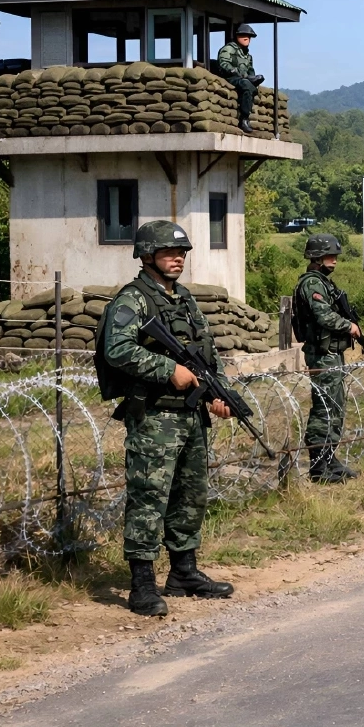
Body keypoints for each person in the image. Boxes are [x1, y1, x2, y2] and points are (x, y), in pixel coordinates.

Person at [98, 221, 235, 617]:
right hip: (155, 417)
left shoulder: (185, 299)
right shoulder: (133, 300)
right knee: (149, 498)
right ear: (146, 256)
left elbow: (206, 355)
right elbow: (117, 349)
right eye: (168, 253)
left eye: (181, 253)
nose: (177, 258)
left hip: (190, 415)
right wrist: (166, 369)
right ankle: (142, 584)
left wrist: (218, 394)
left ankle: (184, 572)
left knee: (190, 495)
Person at [292, 233, 364, 483]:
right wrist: (349, 326)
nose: (334, 260)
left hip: (332, 355)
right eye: (329, 256)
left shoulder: (323, 282)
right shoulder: (312, 283)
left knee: (335, 408)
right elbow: (323, 316)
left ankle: (330, 459)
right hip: (322, 356)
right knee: (324, 409)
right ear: (317, 257)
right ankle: (319, 466)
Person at [216, 24, 264, 134]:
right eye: (243, 35)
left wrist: (254, 78)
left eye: (249, 36)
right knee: (246, 85)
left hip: (242, 80)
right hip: (229, 78)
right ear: (237, 36)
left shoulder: (247, 56)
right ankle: (244, 119)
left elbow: (250, 70)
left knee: (251, 86)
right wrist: (234, 71)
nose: (247, 38)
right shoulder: (229, 49)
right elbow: (223, 64)